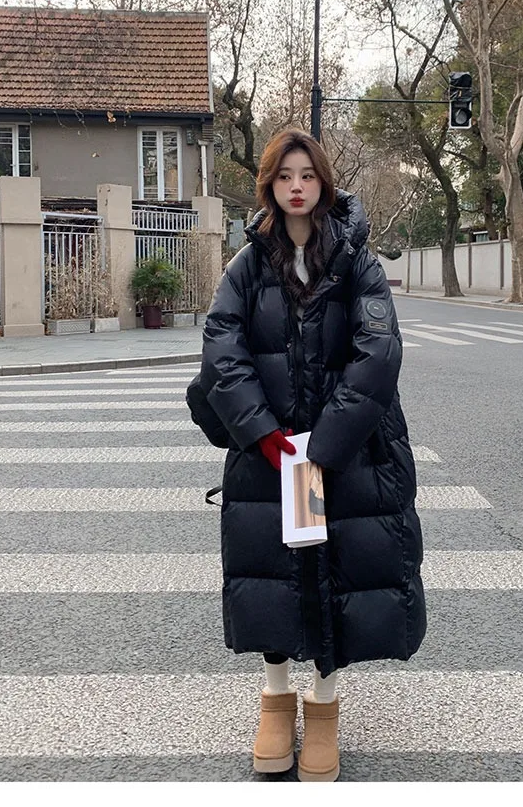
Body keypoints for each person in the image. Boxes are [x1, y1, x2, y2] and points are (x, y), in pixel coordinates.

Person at [192, 127, 426, 782]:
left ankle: (323, 705)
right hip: (267, 454)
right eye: (284, 175)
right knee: (271, 570)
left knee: (339, 572)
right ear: (269, 184)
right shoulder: (246, 266)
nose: (296, 186)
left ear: (323, 182)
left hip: (344, 452)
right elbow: (221, 348)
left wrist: (325, 446)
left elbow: (378, 352)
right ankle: (275, 699)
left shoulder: (357, 261)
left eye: (307, 175)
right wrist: (264, 434)